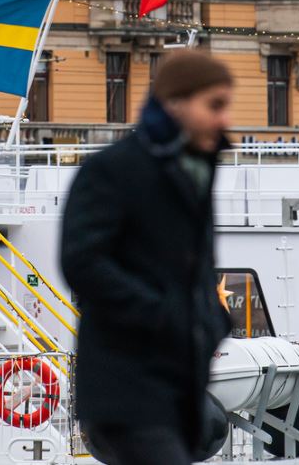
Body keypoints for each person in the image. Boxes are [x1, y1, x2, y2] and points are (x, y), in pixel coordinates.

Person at [60, 50, 234, 465]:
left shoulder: (196, 170)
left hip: (177, 387)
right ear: (176, 103)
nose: (224, 120)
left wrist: (211, 322)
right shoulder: (113, 170)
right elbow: (82, 263)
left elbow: (197, 268)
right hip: (126, 388)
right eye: (214, 105)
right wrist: (166, 316)